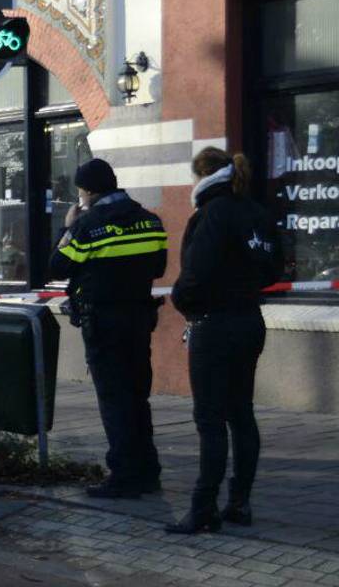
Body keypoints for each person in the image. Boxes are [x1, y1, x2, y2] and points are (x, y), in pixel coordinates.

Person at [166, 148, 280, 534]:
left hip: (213, 324)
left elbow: (195, 273)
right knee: (241, 413)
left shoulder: (210, 215)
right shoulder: (256, 213)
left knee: (210, 419)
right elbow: (273, 269)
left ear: (203, 176)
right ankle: (239, 502)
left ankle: (203, 509)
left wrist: (183, 300)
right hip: (249, 321)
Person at [49, 158, 167, 499]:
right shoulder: (150, 221)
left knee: (114, 400)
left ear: (87, 191)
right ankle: (147, 471)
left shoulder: (88, 226)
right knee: (137, 396)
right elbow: (158, 267)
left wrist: (67, 228)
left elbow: (57, 266)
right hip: (139, 319)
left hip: (103, 322)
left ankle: (124, 476)